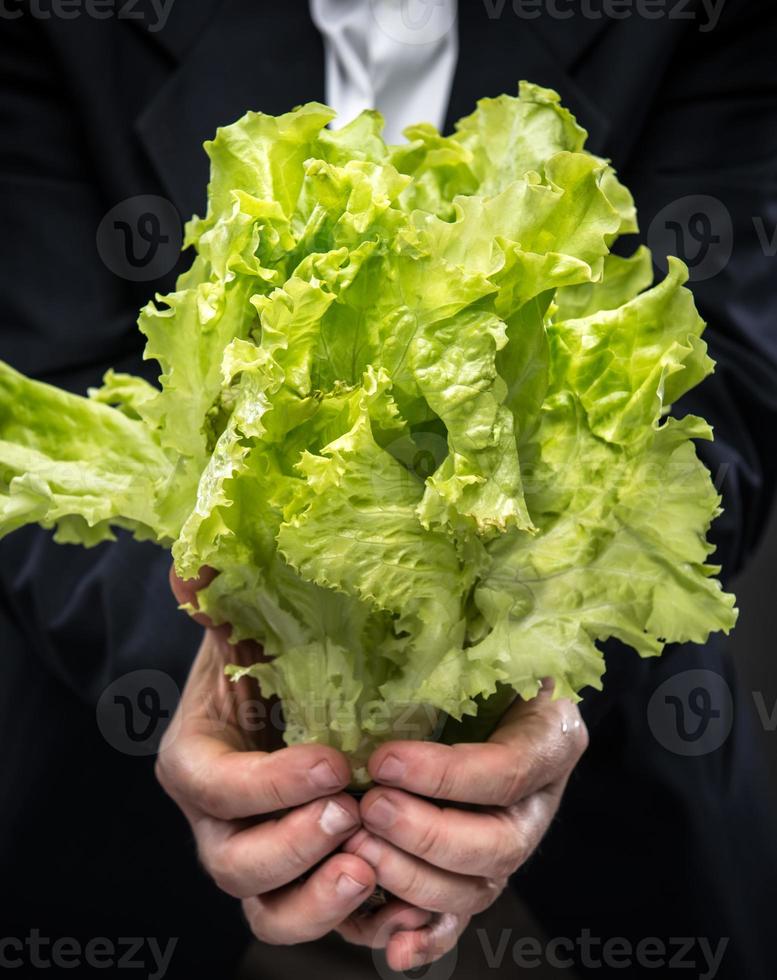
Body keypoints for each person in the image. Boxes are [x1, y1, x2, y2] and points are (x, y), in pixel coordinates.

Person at [1, 2, 775, 978]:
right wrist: (246, 658)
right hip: (121, 702)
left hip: (610, 730)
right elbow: (37, 412)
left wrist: (519, 651)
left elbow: (717, 391)